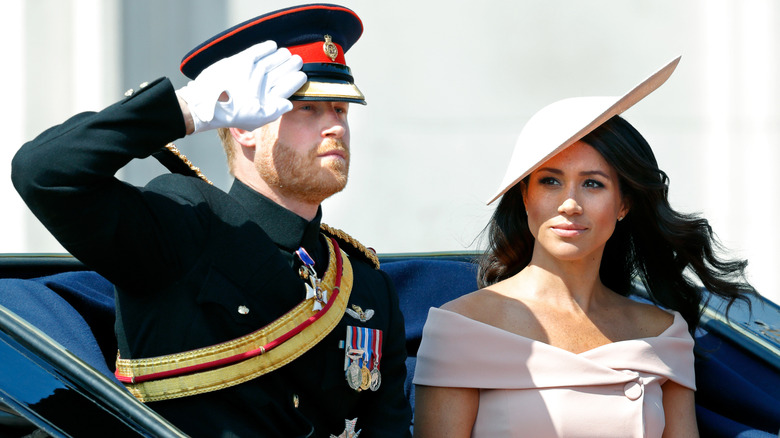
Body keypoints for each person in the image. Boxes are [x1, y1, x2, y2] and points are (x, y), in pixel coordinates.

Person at [12, 4, 411, 437]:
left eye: (341, 109)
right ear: (244, 125)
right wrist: (185, 110)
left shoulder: (365, 285)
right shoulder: (184, 222)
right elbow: (44, 173)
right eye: (308, 109)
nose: (335, 126)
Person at [412, 57, 755, 437]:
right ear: (525, 197)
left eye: (592, 184)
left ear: (623, 204)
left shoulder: (664, 334)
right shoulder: (462, 327)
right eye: (550, 182)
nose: (570, 203)